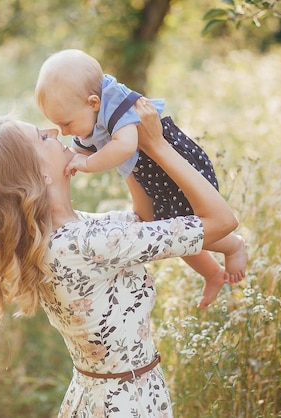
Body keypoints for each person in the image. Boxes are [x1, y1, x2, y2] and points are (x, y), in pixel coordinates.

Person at [0, 98, 240, 416]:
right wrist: (157, 145)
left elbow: (145, 220)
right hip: (126, 404)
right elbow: (222, 221)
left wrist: (121, 141)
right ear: (39, 174)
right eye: (43, 137)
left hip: (102, 397)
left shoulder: (72, 232)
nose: (54, 131)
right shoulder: (83, 244)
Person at [35, 49, 246, 308]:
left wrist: (88, 164)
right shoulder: (86, 113)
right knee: (168, 225)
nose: (63, 132)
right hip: (150, 169)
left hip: (171, 165)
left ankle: (233, 246)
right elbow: (82, 148)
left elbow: (124, 148)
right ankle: (211, 272)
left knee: (187, 222)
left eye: (66, 124)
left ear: (92, 103)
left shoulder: (115, 105)